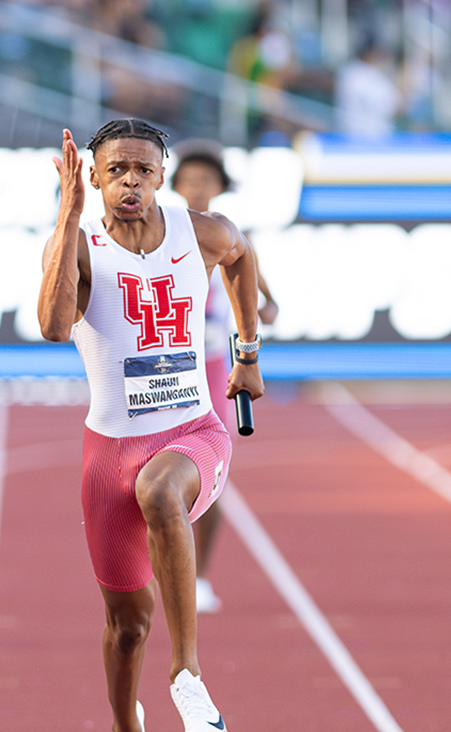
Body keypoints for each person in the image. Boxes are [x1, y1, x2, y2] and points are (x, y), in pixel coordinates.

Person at [38, 120, 263, 732]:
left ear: (161, 175)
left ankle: (188, 672)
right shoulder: (79, 243)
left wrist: (248, 350)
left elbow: (243, 256)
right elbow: (51, 326)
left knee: (163, 491)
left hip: (194, 429)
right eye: (116, 170)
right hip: (110, 450)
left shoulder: (202, 231)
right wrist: (66, 218)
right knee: (126, 625)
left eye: (142, 168)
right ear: (95, 177)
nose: (130, 181)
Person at [168, 141, 278, 613]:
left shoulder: (231, 235)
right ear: (175, 185)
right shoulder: (158, 232)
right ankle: (157, 572)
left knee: (210, 473)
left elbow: (264, 299)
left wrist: (257, 310)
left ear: (219, 187)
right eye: (190, 179)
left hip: (212, 366)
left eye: (206, 180)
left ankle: (199, 576)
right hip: (163, 362)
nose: (197, 187)